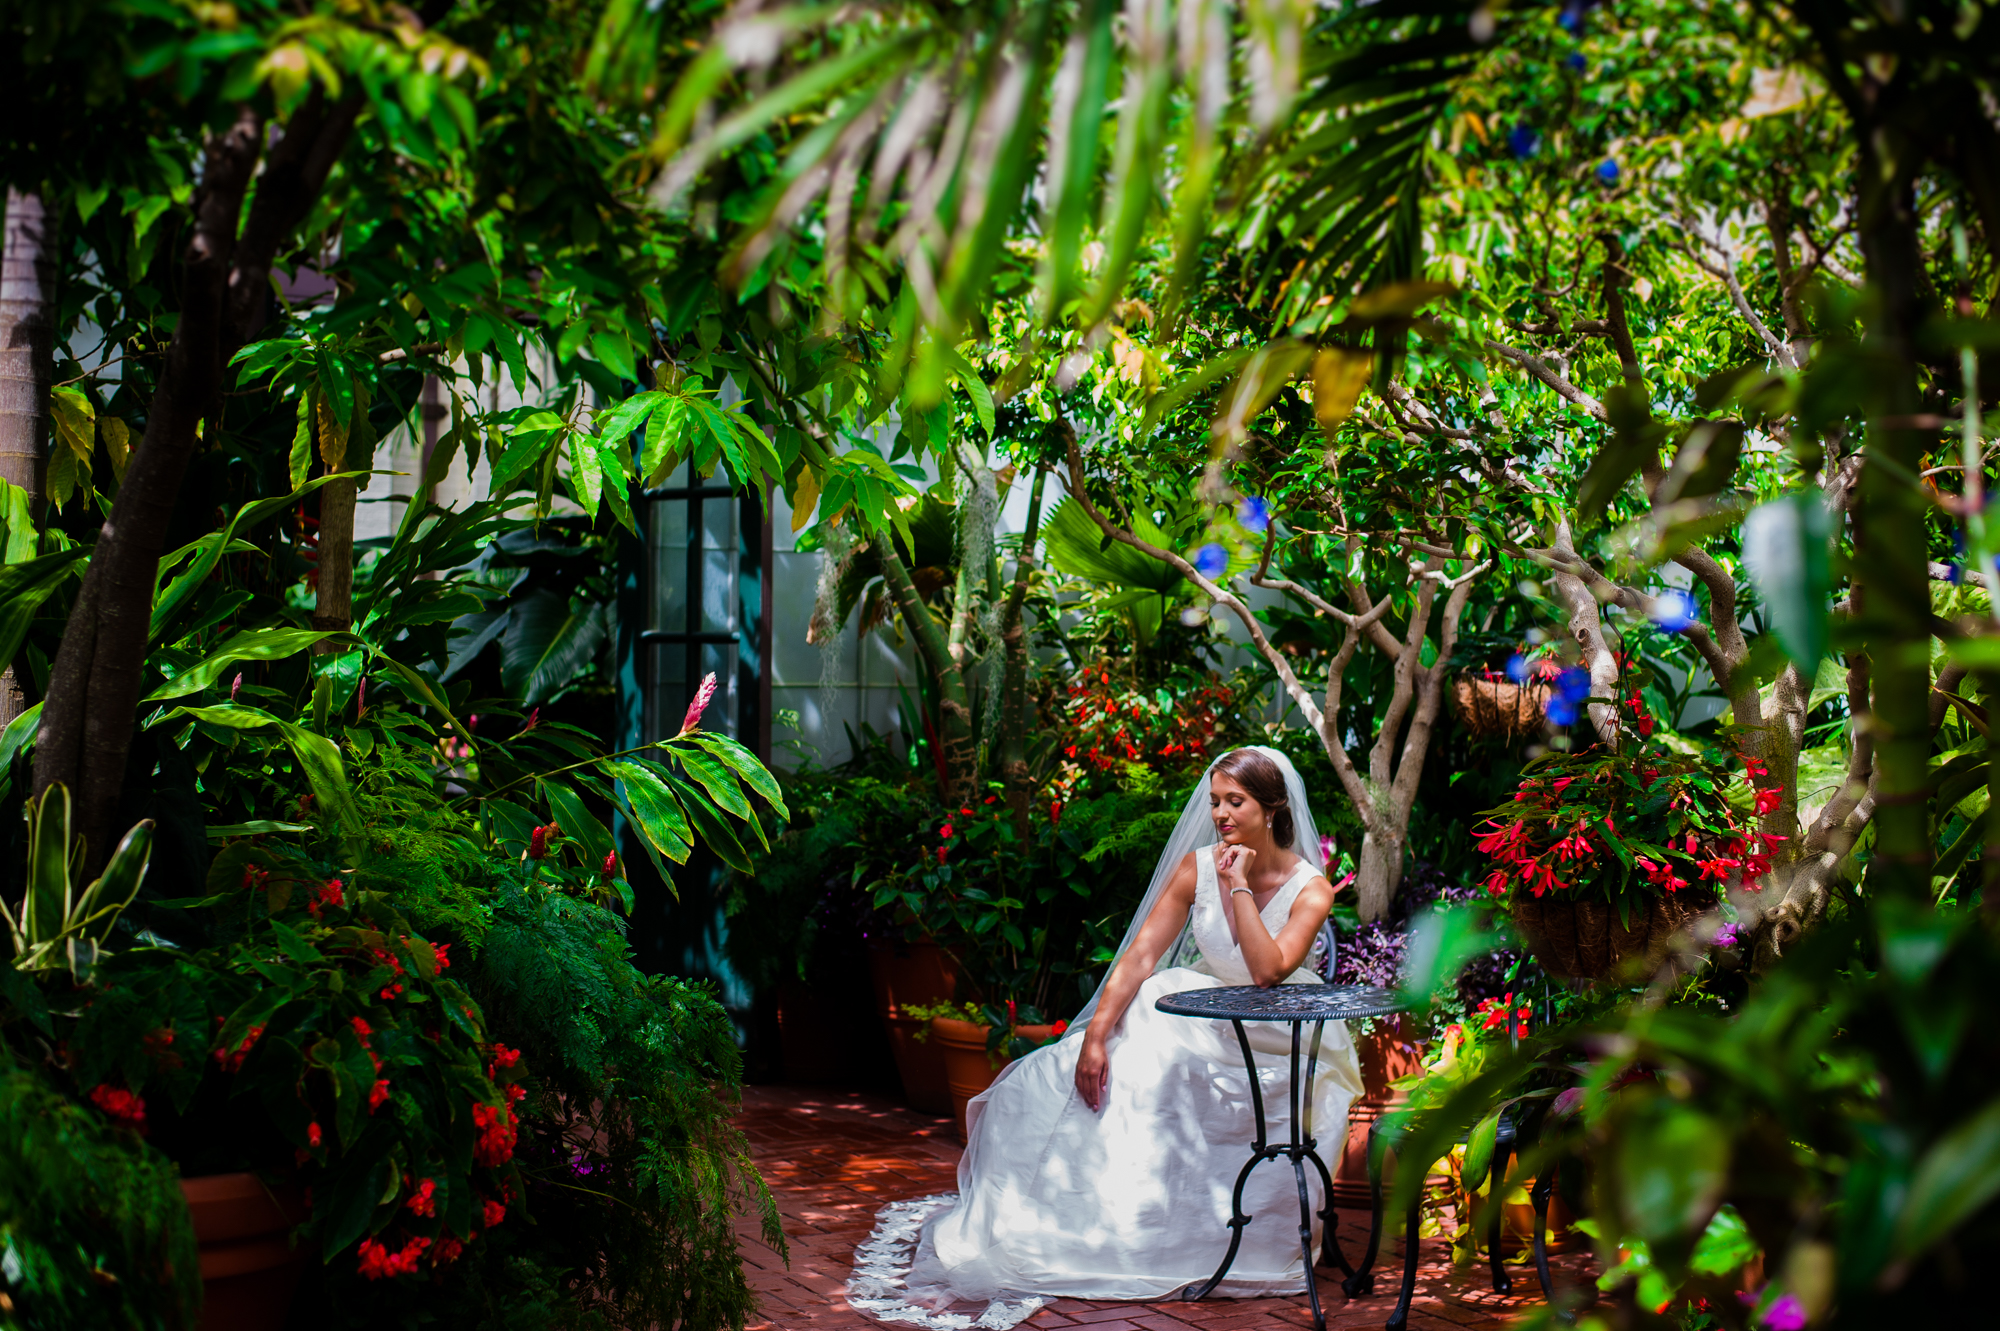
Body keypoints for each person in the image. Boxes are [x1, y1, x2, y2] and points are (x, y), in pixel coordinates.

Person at [897, 745, 1363, 1321]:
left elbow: (1267, 972)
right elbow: (1141, 955)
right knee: (1082, 1072)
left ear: (1271, 809)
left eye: (1234, 802)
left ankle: (1234, 1243)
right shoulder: (1196, 867)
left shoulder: (1310, 888)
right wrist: (1094, 1037)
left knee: (1169, 1068)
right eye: (1215, 801)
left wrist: (1238, 884)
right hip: (1200, 1010)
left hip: (1276, 1029)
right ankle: (1120, 1225)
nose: (1219, 814)